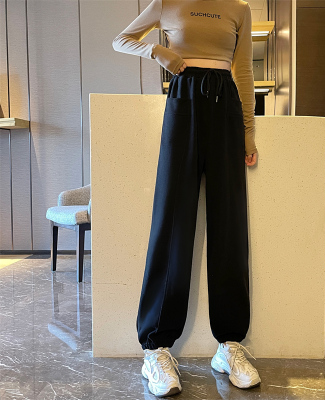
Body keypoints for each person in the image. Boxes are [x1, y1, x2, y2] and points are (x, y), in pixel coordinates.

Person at [112, 0, 260, 396]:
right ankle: (156, 348)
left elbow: (243, 69)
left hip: (226, 104)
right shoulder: (168, 3)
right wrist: (157, 51)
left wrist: (248, 131)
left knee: (229, 224)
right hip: (183, 99)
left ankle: (229, 345)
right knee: (173, 219)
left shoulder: (239, 9)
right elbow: (121, 39)